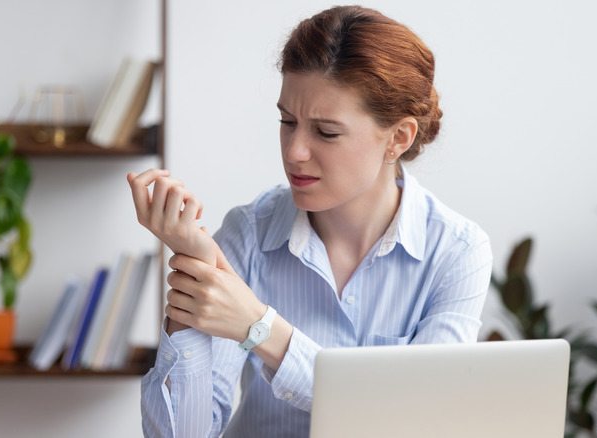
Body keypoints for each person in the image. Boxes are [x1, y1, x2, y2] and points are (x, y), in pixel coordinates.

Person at [129, 5, 492, 438]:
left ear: (398, 137)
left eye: (326, 132)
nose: (294, 151)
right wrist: (193, 269)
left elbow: (416, 424)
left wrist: (260, 328)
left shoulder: (456, 252)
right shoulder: (248, 233)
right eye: (287, 121)